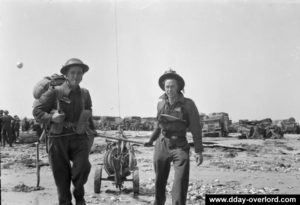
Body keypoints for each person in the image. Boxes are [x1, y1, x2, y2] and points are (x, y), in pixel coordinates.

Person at [33, 58, 96, 205]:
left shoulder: (85, 94)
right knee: (61, 177)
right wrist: (52, 117)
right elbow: (37, 111)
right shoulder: (55, 92)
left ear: (82, 76)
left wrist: (92, 130)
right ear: (66, 75)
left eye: (79, 73)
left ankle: (79, 195)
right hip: (57, 139)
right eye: (72, 73)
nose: (75, 76)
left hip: (79, 138)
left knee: (83, 167)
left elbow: (88, 112)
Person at [144, 69, 204, 205]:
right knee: (159, 180)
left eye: (172, 86)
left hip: (180, 146)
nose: (169, 90)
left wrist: (199, 151)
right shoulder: (160, 104)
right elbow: (158, 125)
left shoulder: (188, 104)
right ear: (164, 88)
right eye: (167, 87)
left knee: (180, 180)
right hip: (162, 144)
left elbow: (196, 128)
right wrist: (151, 140)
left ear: (179, 87)